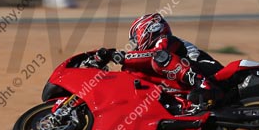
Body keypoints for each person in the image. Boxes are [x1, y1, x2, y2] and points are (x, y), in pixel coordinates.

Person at [83, 13, 223, 112]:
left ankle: (204, 85)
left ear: (148, 29)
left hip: (208, 70)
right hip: (187, 83)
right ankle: (179, 105)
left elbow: (155, 55)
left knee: (160, 58)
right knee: (131, 71)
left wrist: (117, 56)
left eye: (135, 38)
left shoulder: (166, 40)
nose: (136, 44)